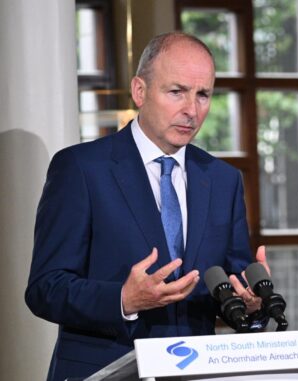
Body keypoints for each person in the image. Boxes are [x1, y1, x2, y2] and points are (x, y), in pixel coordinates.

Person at [25, 32, 268, 381]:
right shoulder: (81, 168)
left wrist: (248, 300)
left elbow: (227, 286)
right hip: (104, 369)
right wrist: (123, 299)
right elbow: (45, 288)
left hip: (196, 371)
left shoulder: (222, 179)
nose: (191, 109)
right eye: (176, 92)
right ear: (140, 91)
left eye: (203, 95)